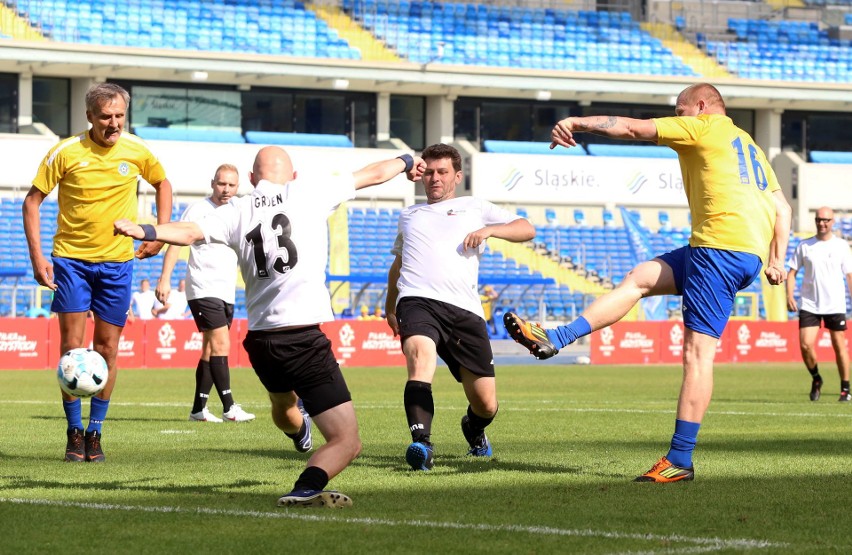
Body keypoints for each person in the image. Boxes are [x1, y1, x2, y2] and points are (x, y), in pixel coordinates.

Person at [504, 83, 792, 483]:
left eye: (679, 110)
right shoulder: (750, 145)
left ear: (702, 107)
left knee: (697, 355)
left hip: (719, 251)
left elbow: (633, 129)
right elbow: (783, 208)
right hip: (730, 251)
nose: (676, 118)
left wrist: (576, 122)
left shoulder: (705, 127)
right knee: (640, 278)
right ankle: (556, 337)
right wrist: (775, 259)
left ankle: (680, 459)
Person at [114, 145, 424, 508]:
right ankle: (305, 488)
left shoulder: (236, 210)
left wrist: (145, 229)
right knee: (347, 441)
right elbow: (373, 173)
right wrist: (406, 161)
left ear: (250, 179)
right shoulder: (310, 190)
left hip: (260, 340)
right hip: (302, 337)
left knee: (284, 404)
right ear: (292, 176)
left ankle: (299, 431)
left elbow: (188, 232)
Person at [22, 82, 173, 463]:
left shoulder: (137, 150)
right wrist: (38, 258)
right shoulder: (66, 151)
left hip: (118, 264)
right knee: (73, 349)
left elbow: (163, 183)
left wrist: (160, 232)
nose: (113, 123)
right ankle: (74, 432)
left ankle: (96, 432)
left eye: (119, 116)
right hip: (71, 260)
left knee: (107, 349)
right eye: (105, 116)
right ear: (89, 116)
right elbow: (32, 202)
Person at [384, 143, 535, 471]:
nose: (434, 178)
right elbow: (398, 265)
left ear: (457, 176)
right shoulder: (408, 215)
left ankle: (474, 427)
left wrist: (489, 230)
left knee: (486, 404)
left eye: (442, 172)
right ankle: (421, 444)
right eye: (429, 173)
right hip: (416, 301)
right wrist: (390, 306)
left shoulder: (474, 206)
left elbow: (527, 228)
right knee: (420, 362)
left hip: (464, 311)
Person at [157, 163, 256, 424]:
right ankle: (229, 407)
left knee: (210, 349)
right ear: (212, 183)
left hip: (226, 290)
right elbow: (176, 244)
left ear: (238, 187)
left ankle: (198, 409)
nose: (226, 190)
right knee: (222, 344)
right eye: (222, 184)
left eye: (232, 185)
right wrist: (165, 278)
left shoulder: (238, 211)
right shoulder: (198, 209)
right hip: (203, 287)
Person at [786, 207, 852, 403]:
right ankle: (816, 378)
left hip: (835, 304)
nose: (822, 223)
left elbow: (849, 274)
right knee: (805, 345)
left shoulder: (841, 246)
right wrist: (789, 295)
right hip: (810, 303)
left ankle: (845, 388)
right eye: (818, 219)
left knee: (839, 345)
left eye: (826, 220)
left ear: (833, 222)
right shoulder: (805, 245)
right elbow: (791, 272)